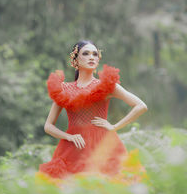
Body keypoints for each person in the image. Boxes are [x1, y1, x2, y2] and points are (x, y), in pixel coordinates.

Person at [37, 40, 148, 186]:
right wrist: (68, 136)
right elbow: (48, 126)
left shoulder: (106, 86)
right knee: (71, 190)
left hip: (103, 146)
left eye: (95, 54)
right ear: (75, 60)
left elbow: (141, 106)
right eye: (86, 53)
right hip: (73, 147)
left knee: (106, 188)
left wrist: (114, 126)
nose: (92, 57)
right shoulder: (63, 88)